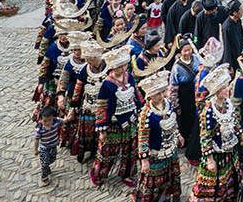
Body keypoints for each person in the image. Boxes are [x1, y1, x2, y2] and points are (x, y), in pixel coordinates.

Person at [192, 64, 243, 200]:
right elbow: (205, 136)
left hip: (230, 151)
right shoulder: (209, 111)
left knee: (233, 179)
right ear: (217, 91)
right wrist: (210, 160)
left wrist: (242, 136)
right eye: (224, 88)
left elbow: (235, 121)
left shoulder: (228, 104)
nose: (228, 89)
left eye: (227, 86)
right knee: (214, 186)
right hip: (217, 154)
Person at [90, 45, 140, 187]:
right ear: (112, 67)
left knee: (130, 150)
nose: (122, 69)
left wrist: (142, 108)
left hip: (130, 120)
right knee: (107, 151)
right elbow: (102, 106)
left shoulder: (129, 77)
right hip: (113, 123)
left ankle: (127, 174)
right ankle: (98, 173)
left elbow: (136, 94)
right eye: (119, 67)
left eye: (124, 65)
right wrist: (101, 128)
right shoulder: (107, 84)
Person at [135, 71, 182, 202]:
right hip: (156, 153)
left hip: (171, 149)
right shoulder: (146, 113)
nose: (161, 96)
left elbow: (173, 122)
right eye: (157, 94)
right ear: (150, 95)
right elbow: (142, 138)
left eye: (162, 92)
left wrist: (178, 135)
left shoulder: (168, 104)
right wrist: (144, 160)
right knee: (153, 182)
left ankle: (169, 196)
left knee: (172, 175)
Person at [72, 40, 107, 163]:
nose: (88, 62)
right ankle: (85, 151)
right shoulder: (85, 70)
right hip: (88, 106)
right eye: (87, 59)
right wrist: (74, 104)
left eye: (90, 59)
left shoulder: (108, 68)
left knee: (101, 132)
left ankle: (98, 153)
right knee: (86, 131)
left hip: (103, 107)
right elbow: (78, 87)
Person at [168, 36, 199, 148]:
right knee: (186, 118)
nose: (188, 52)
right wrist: (174, 103)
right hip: (184, 96)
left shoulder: (196, 58)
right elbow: (173, 86)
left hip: (195, 92)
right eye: (185, 50)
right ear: (180, 51)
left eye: (189, 49)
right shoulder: (177, 67)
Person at [34, 107, 63, 187]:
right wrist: (36, 150)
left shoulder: (56, 121)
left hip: (53, 146)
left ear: (53, 118)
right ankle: (44, 177)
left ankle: (46, 167)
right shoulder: (40, 128)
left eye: (49, 120)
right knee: (45, 162)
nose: (47, 123)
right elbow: (36, 139)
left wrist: (69, 118)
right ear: (41, 119)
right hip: (44, 148)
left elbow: (64, 120)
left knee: (53, 159)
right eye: (44, 121)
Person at [221, 0, 243, 71]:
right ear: (235, 13)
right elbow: (227, 46)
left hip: (240, 52)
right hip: (232, 56)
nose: (242, 11)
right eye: (240, 9)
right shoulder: (226, 27)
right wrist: (229, 65)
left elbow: (242, 37)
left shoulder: (238, 20)